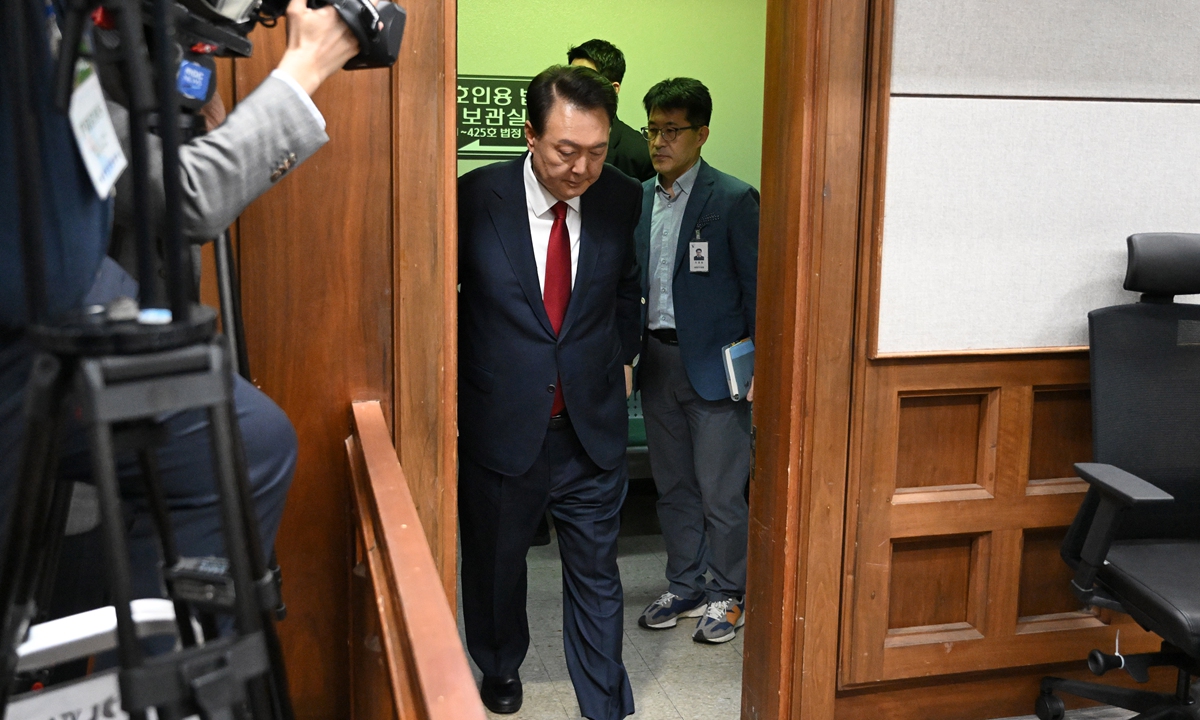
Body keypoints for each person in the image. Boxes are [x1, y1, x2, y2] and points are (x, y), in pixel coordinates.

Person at [457, 65, 642, 719]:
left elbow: (624, 289)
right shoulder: (474, 198)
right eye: (567, 150)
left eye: (595, 151)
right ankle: (500, 664)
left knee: (596, 575)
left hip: (589, 429)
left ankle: (604, 701)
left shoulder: (622, 197)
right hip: (502, 424)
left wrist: (618, 358)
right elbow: (445, 304)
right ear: (531, 135)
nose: (581, 168)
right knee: (496, 567)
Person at [633, 77, 759, 644]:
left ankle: (728, 590)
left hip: (717, 368)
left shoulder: (732, 198)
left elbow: (759, 289)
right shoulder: (639, 199)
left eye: (672, 130)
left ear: (702, 134)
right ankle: (684, 583)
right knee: (673, 486)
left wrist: (765, 368)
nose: (660, 141)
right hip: (657, 361)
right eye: (652, 129)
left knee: (720, 490)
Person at [567, 39, 655, 183]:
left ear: (613, 89)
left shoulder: (639, 152)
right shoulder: (555, 139)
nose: (573, 87)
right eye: (570, 77)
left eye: (585, 78)